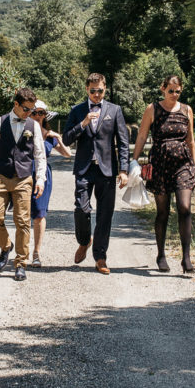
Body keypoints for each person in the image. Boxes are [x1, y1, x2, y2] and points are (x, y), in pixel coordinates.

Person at [0, 88, 47, 282]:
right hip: (0, 175)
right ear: (15, 104)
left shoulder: (34, 126)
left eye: (32, 110)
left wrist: (40, 179)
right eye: (26, 109)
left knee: (22, 222)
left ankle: (21, 263)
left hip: (23, 178)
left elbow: (39, 155)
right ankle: (6, 246)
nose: (29, 113)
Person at [63, 73, 129, 274]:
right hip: (84, 169)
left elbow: (123, 142)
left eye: (100, 90)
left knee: (105, 215)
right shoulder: (77, 110)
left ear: (105, 89)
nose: (97, 94)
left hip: (107, 170)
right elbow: (65, 139)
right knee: (81, 209)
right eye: (93, 91)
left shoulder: (115, 110)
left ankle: (100, 257)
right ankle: (84, 241)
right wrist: (82, 124)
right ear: (86, 89)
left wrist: (124, 170)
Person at [131, 76, 195, 273]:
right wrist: (133, 160)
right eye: (171, 91)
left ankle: (186, 258)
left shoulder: (187, 110)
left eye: (178, 91)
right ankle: (161, 254)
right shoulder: (153, 109)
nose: (174, 95)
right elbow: (142, 135)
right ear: (163, 89)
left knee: (184, 208)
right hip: (160, 163)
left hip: (182, 164)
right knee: (163, 211)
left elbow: (190, 139)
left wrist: (193, 164)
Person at [28, 100, 72, 268]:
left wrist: (59, 138)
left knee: (40, 213)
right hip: (25, 173)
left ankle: (36, 252)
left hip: (43, 175)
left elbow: (67, 153)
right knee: (23, 214)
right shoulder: (24, 131)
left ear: (45, 116)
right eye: (34, 113)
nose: (38, 116)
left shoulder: (49, 134)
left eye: (41, 113)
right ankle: (22, 250)